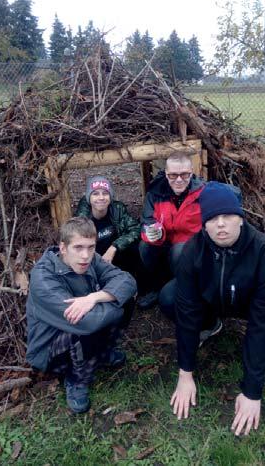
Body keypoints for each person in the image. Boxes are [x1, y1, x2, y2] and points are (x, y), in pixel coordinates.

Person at [168, 181, 265, 435]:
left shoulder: (264, 250)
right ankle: (210, 326)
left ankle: (262, 355)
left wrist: (252, 392)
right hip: (212, 301)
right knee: (169, 297)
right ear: (204, 224)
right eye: (212, 218)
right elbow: (187, 310)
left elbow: (264, 318)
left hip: (250, 304)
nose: (220, 224)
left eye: (227, 216)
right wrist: (185, 374)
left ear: (241, 219)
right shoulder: (192, 250)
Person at [26, 217, 137, 414]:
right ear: (63, 248)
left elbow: (127, 280)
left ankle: (101, 354)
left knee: (123, 298)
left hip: (85, 321)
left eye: (91, 247)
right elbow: (86, 322)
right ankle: (76, 379)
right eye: (78, 247)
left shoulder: (91, 258)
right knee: (86, 324)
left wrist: (94, 297)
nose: (85, 255)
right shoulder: (42, 278)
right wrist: (113, 302)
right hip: (50, 347)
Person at [138, 151, 205, 309]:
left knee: (179, 250)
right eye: (173, 175)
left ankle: (184, 289)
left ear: (192, 172)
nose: (179, 180)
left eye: (185, 175)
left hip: (191, 250)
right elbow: (147, 221)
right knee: (145, 246)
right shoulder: (155, 193)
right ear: (166, 174)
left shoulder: (204, 194)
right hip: (165, 244)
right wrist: (154, 232)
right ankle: (158, 286)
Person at [75, 176, 140, 268]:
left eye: (105, 193)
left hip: (117, 259)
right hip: (92, 263)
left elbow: (136, 229)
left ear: (110, 197)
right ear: (89, 198)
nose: (101, 198)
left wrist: (114, 247)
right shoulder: (82, 219)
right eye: (95, 194)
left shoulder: (118, 210)